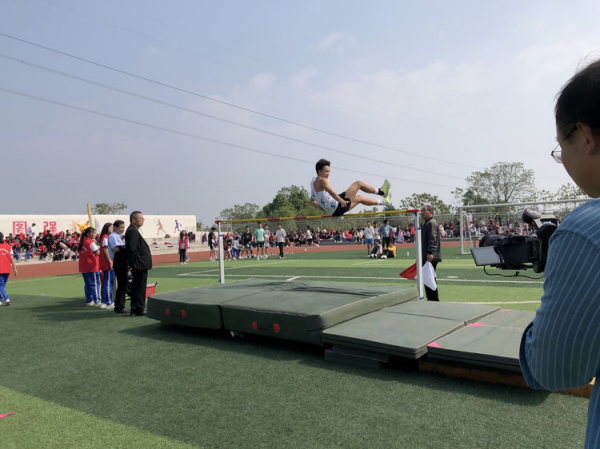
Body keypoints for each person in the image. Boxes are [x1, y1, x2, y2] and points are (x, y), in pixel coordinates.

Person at [519, 59, 600, 448]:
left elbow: (553, 370)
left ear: (585, 136)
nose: (563, 158)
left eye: (560, 145)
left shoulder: (585, 231)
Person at [310, 159, 392, 216]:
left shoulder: (312, 184)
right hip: (338, 205)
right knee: (358, 183)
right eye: (326, 171)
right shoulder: (322, 180)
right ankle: (382, 192)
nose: (328, 174)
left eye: (329, 171)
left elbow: (312, 201)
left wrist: (323, 207)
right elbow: (331, 192)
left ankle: (385, 202)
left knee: (360, 198)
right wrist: (341, 200)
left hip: (335, 211)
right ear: (319, 171)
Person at [125, 211, 152, 316]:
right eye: (140, 218)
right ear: (133, 220)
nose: (142, 220)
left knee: (138, 287)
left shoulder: (133, 230)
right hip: (139, 264)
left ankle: (136, 308)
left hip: (139, 264)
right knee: (139, 287)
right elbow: (132, 249)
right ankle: (138, 309)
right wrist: (132, 264)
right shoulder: (133, 231)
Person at [420, 205, 441, 301]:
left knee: (429, 278)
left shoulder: (431, 223)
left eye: (424, 211)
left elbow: (432, 239)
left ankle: (433, 299)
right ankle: (431, 298)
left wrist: (430, 252)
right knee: (427, 277)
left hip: (430, 255)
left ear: (430, 211)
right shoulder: (427, 223)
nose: (421, 212)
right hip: (427, 254)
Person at [108, 220, 129, 314]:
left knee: (123, 284)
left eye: (123, 228)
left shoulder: (118, 236)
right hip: (119, 261)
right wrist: (125, 248)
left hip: (122, 260)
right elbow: (116, 249)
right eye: (121, 227)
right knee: (122, 285)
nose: (122, 229)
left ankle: (120, 305)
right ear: (115, 227)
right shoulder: (113, 236)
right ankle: (119, 306)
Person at [78, 227, 101, 307]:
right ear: (88, 234)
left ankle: (89, 300)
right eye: (93, 233)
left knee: (88, 284)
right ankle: (97, 301)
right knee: (95, 284)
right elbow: (97, 252)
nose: (95, 235)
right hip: (92, 267)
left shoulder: (83, 242)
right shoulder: (90, 243)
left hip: (84, 267)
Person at [98, 222, 115, 310]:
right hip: (107, 263)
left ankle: (104, 301)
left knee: (105, 282)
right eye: (111, 227)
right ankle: (108, 302)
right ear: (107, 228)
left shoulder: (105, 237)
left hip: (106, 262)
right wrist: (110, 262)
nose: (112, 229)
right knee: (108, 283)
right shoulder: (106, 238)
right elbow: (106, 251)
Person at [0, 232, 18, 306]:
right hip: (7, 269)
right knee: (2, 285)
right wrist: (15, 268)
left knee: (1, 285)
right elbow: (12, 258)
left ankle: (6, 299)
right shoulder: (8, 247)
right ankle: (0, 299)